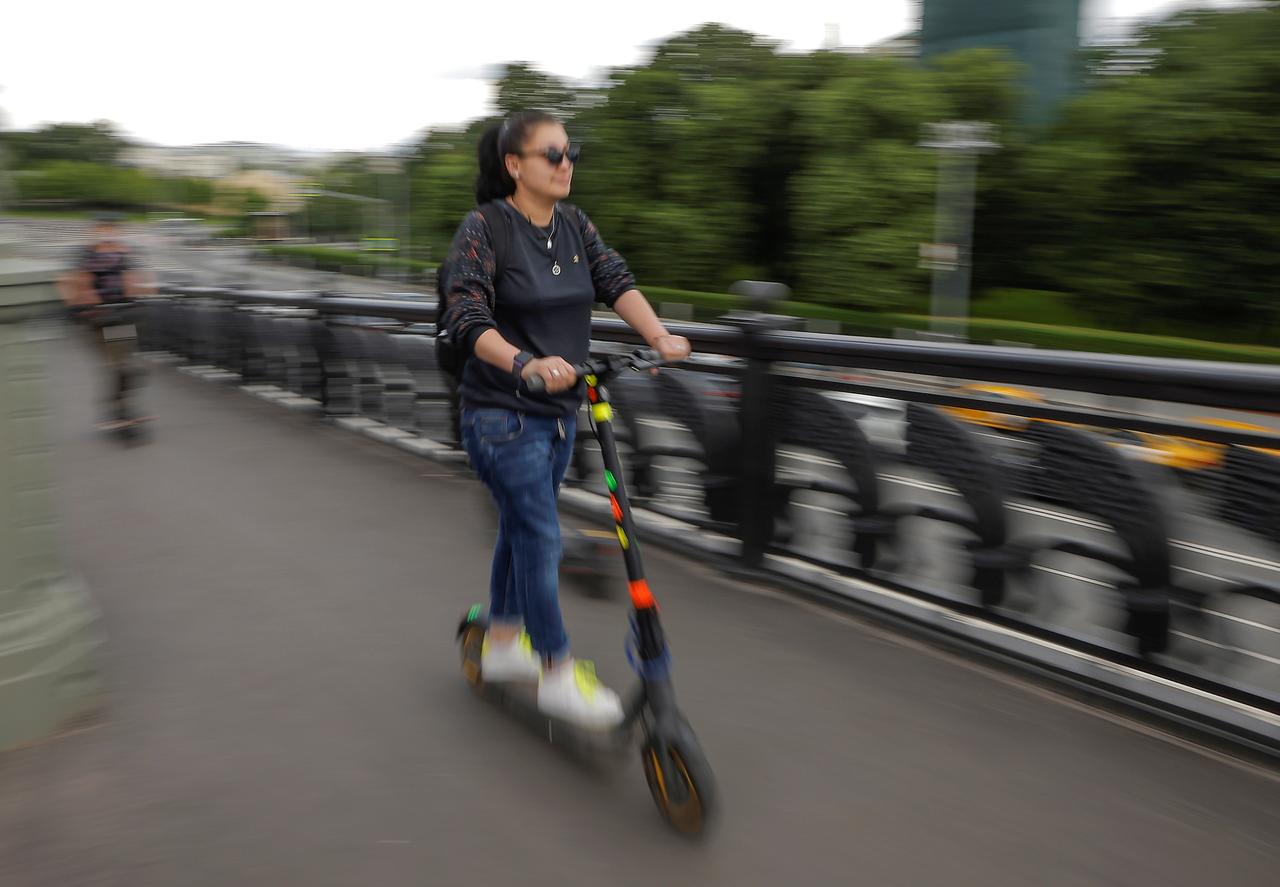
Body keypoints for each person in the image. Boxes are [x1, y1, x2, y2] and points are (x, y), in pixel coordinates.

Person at [441, 111, 691, 729]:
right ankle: (555, 673)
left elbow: (614, 280)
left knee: (523, 532)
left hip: (556, 414)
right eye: (551, 153)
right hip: (500, 416)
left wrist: (658, 334)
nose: (565, 163)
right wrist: (525, 362)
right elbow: (467, 317)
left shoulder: (574, 225)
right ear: (514, 165)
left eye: (570, 152)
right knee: (541, 537)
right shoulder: (483, 229)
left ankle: (502, 647)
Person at [59, 214, 153, 430]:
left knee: (126, 366)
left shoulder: (125, 254)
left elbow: (137, 282)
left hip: (120, 316)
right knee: (119, 364)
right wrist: (77, 304)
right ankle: (118, 408)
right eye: (104, 229)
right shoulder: (83, 254)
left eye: (112, 229)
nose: (108, 233)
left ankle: (119, 406)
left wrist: (140, 291)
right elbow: (68, 281)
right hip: (96, 318)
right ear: (95, 231)